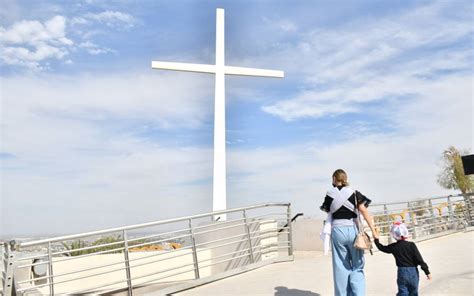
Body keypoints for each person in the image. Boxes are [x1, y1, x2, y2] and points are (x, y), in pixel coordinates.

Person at [320, 169, 377, 296]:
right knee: (357, 265)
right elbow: (363, 211)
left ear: (334, 179)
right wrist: (373, 230)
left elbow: (327, 209)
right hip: (352, 230)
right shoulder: (354, 193)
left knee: (340, 267)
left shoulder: (330, 194)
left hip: (337, 231)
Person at [373, 222, 432, 296]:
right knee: (414, 292)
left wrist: (376, 240)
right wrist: (427, 272)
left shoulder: (394, 247)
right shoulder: (411, 245)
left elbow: (382, 248)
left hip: (402, 272)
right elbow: (419, 260)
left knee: (403, 292)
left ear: (394, 235)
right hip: (413, 272)